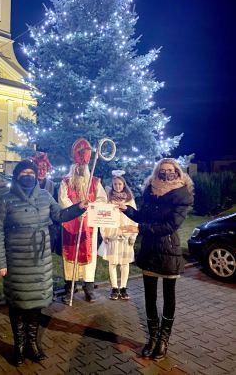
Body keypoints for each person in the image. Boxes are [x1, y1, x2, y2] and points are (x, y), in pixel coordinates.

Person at [0, 159, 87, 366]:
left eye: (31, 173)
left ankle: (32, 344)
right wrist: (1, 262)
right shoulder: (6, 200)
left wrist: (79, 208)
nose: (29, 176)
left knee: (35, 304)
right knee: (17, 304)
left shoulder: (44, 196)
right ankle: (18, 345)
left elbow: (60, 215)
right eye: (24, 173)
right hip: (16, 260)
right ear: (17, 176)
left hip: (39, 260)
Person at [120, 158, 194, 360]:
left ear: (177, 172)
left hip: (168, 250)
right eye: (162, 170)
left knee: (169, 297)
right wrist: (127, 210)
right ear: (157, 172)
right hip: (150, 251)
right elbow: (142, 217)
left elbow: (171, 226)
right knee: (149, 297)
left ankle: (163, 340)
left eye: (170, 170)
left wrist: (141, 228)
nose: (166, 173)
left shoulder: (182, 194)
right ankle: (152, 337)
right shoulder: (150, 191)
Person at [58, 138, 107, 303]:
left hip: (89, 226)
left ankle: (88, 288)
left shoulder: (95, 182)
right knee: (69, 257)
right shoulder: (66, 182)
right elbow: (63, 200)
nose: (80, 169)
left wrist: (90, 208)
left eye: (82, 166)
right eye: (78, 166)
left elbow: (102, 200)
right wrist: (77, 210)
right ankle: (69, 288)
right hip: (70, 225)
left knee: (89, 257)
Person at [98, 170, 139, 300]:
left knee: (125, 263)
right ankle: (114, 288)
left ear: (124, 185)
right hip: (112, 234)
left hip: (125, 233)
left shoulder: (129, 200)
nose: (117, 186)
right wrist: (103, 232)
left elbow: (134, 218)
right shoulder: (109, 200)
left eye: (120, 184)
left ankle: (124, 287)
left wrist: (133, 235)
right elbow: (103, 217)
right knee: (113, 262)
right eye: (115, 184)